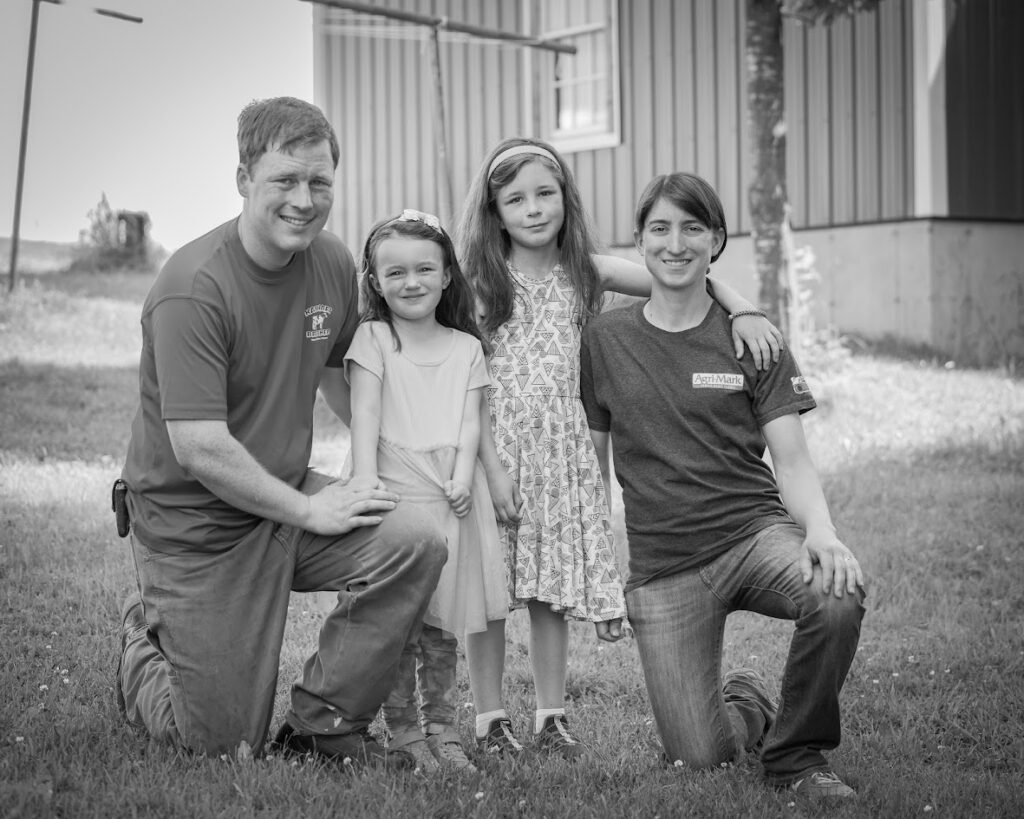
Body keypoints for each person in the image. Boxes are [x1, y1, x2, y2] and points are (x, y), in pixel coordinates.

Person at [113, 97, 447, 768]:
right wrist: (310, 510)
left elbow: (339, 376)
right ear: (244, 179)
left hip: (286, 496)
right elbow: (199, 448)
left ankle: (322, 725)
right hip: (197, 528)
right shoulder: (192, 288)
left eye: (319, 181)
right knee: (220, 744)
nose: (304, 200)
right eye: (285, 180)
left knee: (414, 538)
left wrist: (405, 456)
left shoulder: (330, 262)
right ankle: (140, 644)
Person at [456, 138, 785, 758]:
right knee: (490, 590)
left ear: (566, 198)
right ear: (494, 212)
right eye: (515, 199)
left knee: (549, 588)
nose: (533, 209)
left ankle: (550, 716)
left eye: (545, 194)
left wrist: (744, 308)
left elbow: (678, 275)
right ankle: (490, 717)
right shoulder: (478, 284)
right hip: (496, 452)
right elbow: (463, 382)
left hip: (562, 452)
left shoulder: (588, 270)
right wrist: (489, 469)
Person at [579, 171, 867, 798]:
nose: (675, 243)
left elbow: (792, 460)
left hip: (752, 535)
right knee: (700, 757)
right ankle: (749, 702)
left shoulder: (753, 340)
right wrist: (598, 572)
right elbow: (592, 471)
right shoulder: (603, 340)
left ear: (716, 240)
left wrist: (821, 531)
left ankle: (797, 757)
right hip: (664, 566)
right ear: (639, 240)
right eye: (660, 228)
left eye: (692, 228)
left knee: (836, 593)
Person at [345, 209, 506, 773]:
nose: (411, 282)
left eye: (424, 269)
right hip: (394, 486)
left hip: (450, 494)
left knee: (442, 626)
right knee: (401, 624)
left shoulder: (466, 347)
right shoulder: (374, 338)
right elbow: (365, 413)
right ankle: (404, 731)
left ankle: (444, 728)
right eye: (395, 272)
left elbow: (470, 423)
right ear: (374, 281)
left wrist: (463, 477)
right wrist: (365, 479)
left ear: (446, 276)